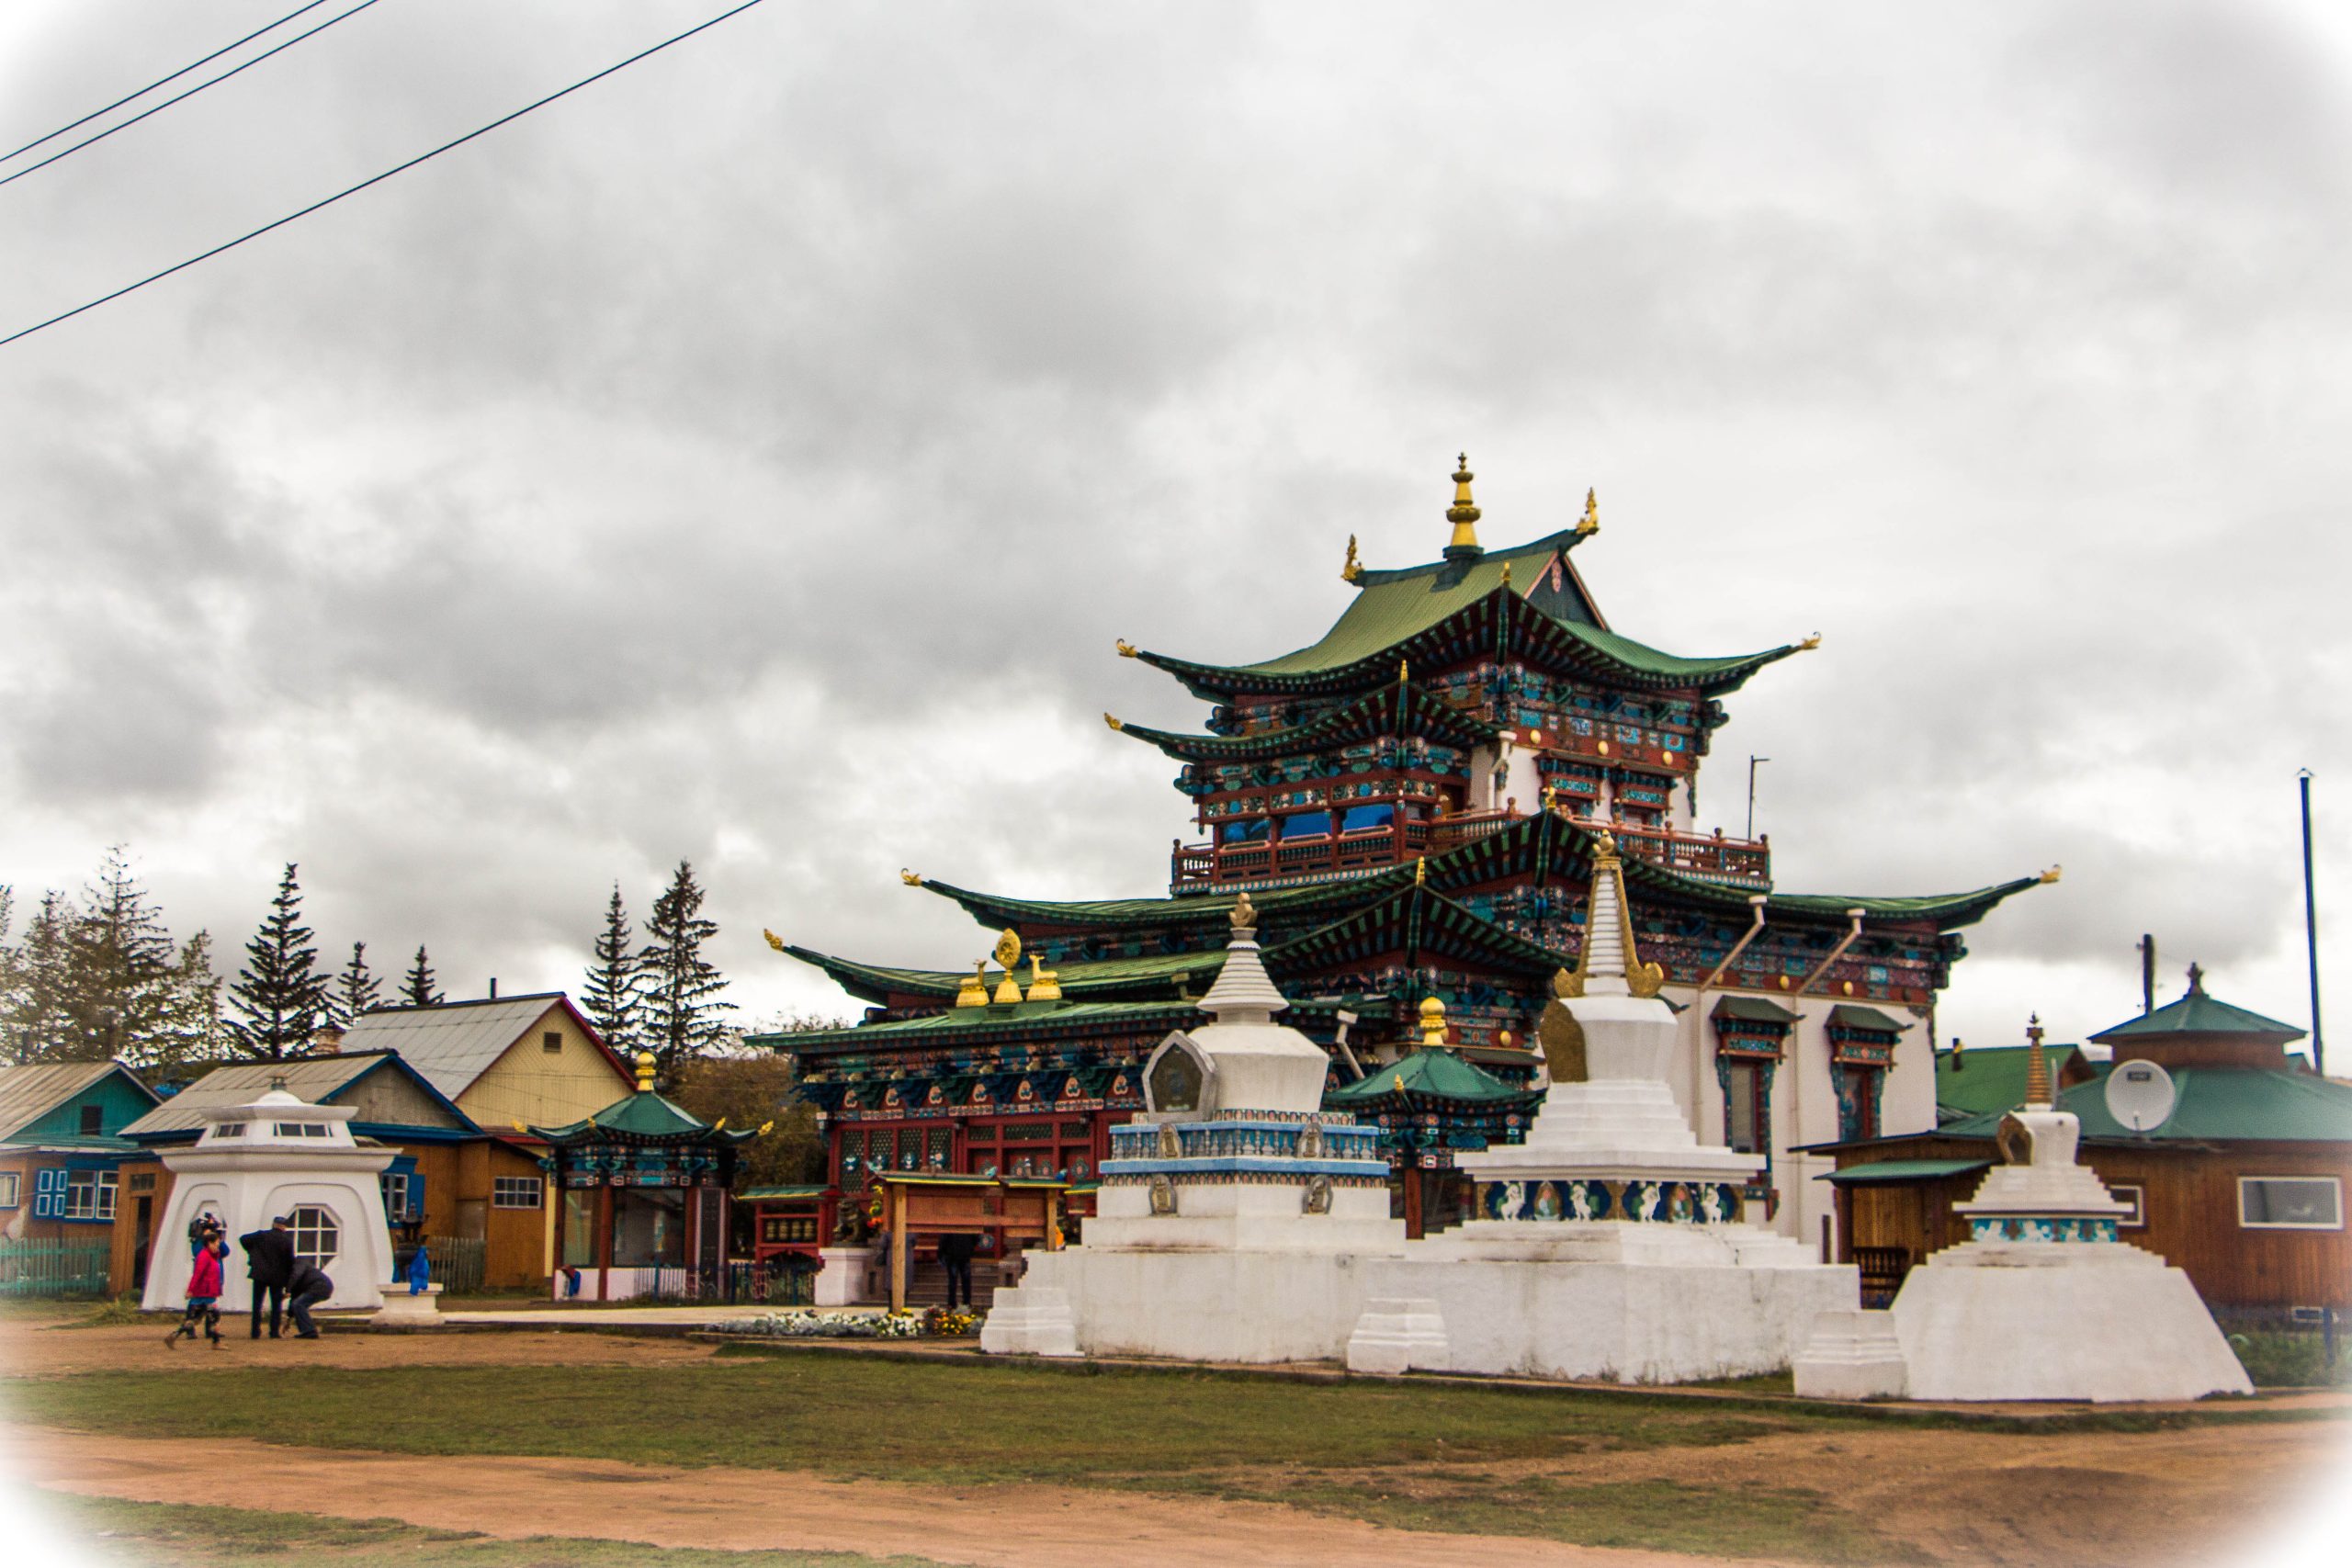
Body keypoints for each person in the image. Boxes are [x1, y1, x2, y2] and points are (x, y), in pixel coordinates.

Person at [167, 1218, 229, 1349]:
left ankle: (174, 1335)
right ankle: (216, 1342)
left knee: (197, 1320)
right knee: (213, 1318)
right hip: (204, 1293)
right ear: (208, 1243)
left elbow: (225, 1251)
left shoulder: (213, 1256)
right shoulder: (203, 1256)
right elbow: (197, 1274)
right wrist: (190, 1290)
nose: (217, 1246)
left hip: (209, 1292)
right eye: (216, 1244)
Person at [239, 1214, 294, 1339]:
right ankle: (274, 1332)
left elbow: (243, 1239)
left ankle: (255, 1331)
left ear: (273, 1225)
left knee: (257, 1304)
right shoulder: (287, 1241)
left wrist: (252, 1252)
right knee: (276, 1305)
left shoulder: (261, 1235)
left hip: (260, 1274)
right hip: (278, 1276)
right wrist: (288, 1284)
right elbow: (290, 1262)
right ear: (284, 1227)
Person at [284, 1254, 334, 1339]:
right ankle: (306, 1331)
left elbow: (296, 1274)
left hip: (320, 1285)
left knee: (299, 1305)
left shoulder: (299, 1262)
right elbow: (294, 1298)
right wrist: (289, 1318)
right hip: (323, 1286)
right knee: (298, 1304)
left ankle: (309, 1331)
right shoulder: (296, 1279)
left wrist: (288, 1290)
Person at [935, 1230, 979, 1311]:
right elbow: (976, 1237)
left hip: (952, 1254)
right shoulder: (968, 1223)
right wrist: (970, 1248)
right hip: (964, 1254)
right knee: (966, 1281)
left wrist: (941, 1253)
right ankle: (966, 1302)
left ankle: (952, 1304)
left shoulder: (951, 1223)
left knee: (953, 1281)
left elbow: (943, 1239)